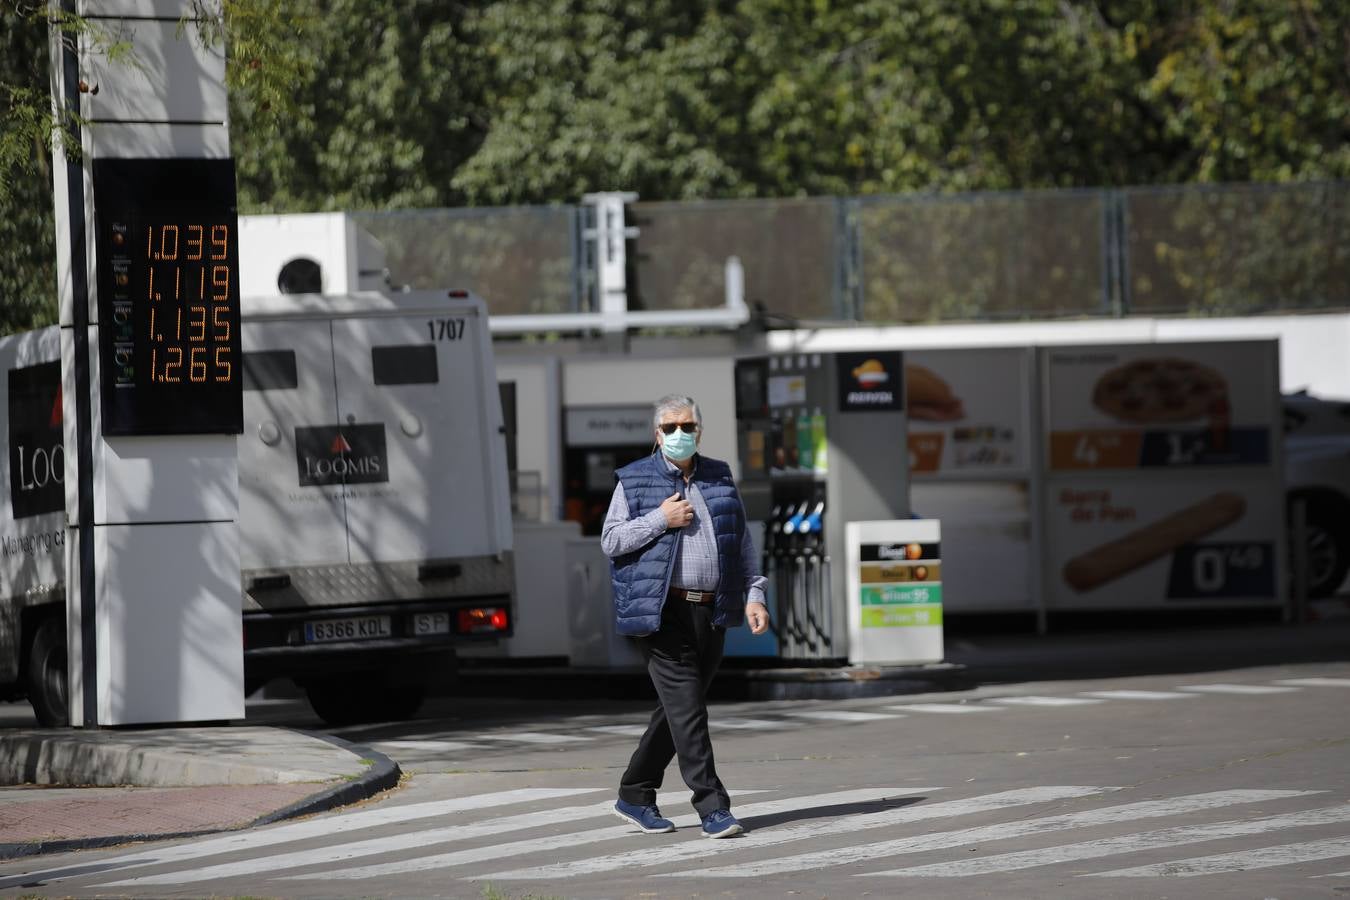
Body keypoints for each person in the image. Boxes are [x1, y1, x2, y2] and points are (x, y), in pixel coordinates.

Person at [600, 393, 770, 839]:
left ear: (699, 431)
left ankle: (634, 794)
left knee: (678, 711)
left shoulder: (719, 476)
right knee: (689, 710)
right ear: (658, 435)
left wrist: (755, 595)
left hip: (710, 610)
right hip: (660, 612)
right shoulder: (634, 480)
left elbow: (741, 543)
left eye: (688, 426)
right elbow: (612, 541)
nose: (680, 434)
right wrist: (660, 518)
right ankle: (712, 807)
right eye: (671, 427)